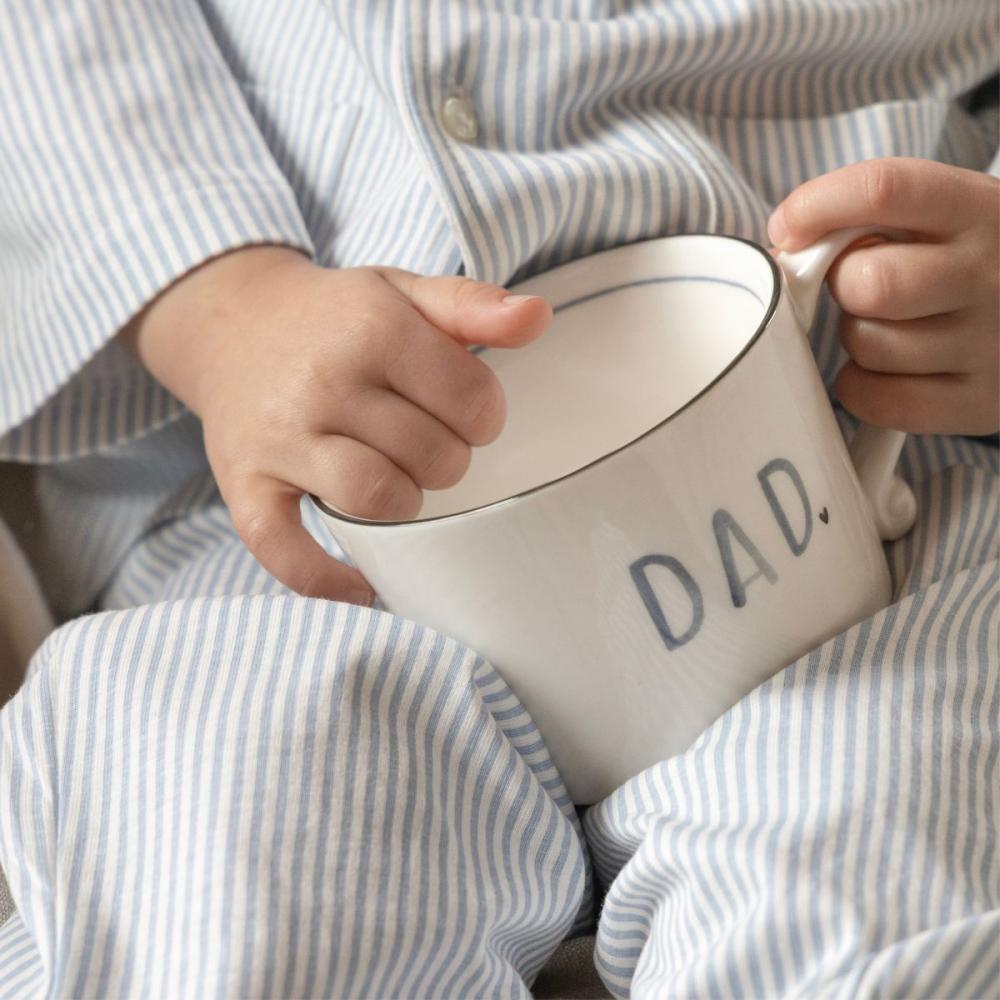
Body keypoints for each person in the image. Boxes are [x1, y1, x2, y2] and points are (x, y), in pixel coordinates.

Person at [0, 2, 997, 996]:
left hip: (838, 477)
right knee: (225, 808)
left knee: (874, 833)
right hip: (309, 527)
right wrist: (225, 309)